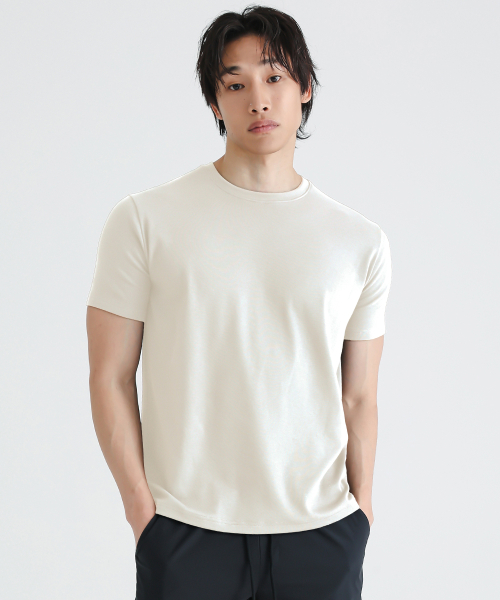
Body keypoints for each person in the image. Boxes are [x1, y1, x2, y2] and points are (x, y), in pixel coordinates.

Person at [86, 5, 392, 600]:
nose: (259, 99)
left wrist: (362, 513)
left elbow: (359, 396)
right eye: (235, 84)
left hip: (323, 533)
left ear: (305, 88)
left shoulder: (359, 241)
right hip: (186, 531)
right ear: (214, 102)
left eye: (275, 77)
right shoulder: (145, 221)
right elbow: (110, 377)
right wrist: (143, 515)